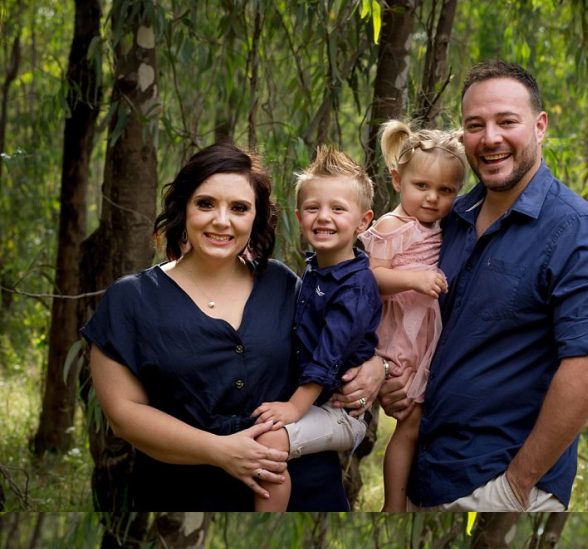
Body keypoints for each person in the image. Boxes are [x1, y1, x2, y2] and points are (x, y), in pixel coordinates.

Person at [83, 142, 383, 512]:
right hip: (187, 498)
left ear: (256, 218)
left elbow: (344, 336)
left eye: (239, 208)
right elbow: (124, 415)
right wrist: (220, 451)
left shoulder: (284, 284)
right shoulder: (130, 300)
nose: (222, 221)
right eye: (206, 203)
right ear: (183, 208)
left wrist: (376, 366)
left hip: (308, 493)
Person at [379, 60, 588, 511]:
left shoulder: (577, 230)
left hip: (498, 487)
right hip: (424, 478)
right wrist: (393, 381)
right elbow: (418, 323)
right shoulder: (448, 219)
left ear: (540, 126)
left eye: (506, 122)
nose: (490, 138)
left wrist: (514, 486)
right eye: (476, 125)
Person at [251, 146, 381, 511]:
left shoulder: (354, 286)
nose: (324, 218)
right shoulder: (317, 269)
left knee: (269, 446)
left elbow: (328, 356)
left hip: (342, 412)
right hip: (315, 403)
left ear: (363, 221)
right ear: (299, 215)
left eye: (338, 209)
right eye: (313, 208)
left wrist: (293, 409)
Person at [359, 121, 466, 511]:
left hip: (426, 340)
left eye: (446, 191)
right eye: (422, 186)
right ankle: (392, 503)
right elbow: (369, 280)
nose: (433, 199)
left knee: (417, 422)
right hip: (397, 335)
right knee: (409, 420)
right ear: (397, 179)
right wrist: (414, 280)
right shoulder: (391, 226)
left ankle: (406, 498)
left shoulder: (441, 226)